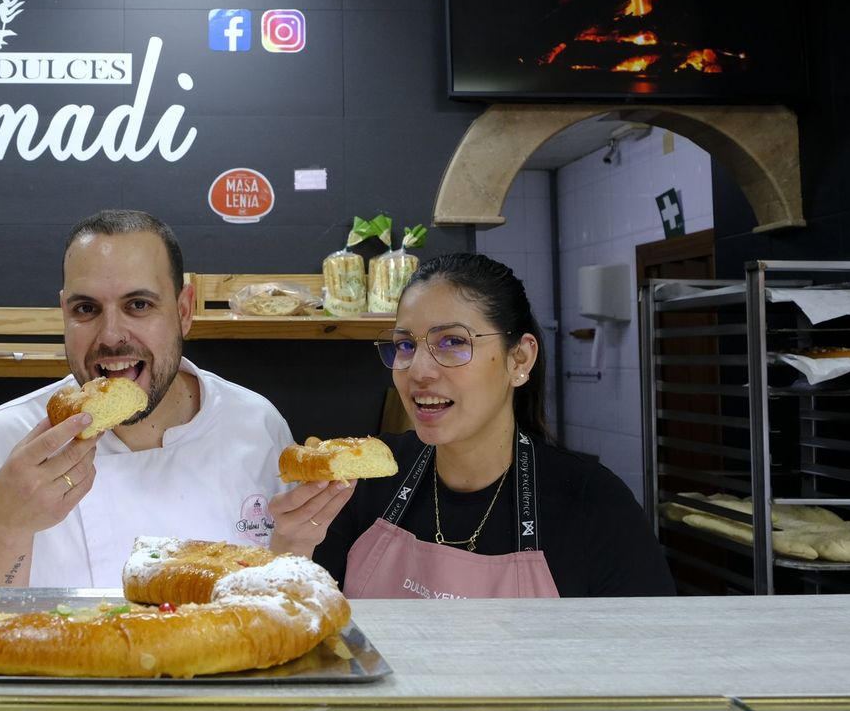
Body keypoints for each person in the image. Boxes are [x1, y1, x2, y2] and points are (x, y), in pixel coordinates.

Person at [272, 252, 673, 598]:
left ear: (519, 360)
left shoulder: (593, 504)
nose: (419, 371)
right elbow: (303, 641)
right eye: (405, 345)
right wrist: (290, 552)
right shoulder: (365, 486)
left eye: (453, 342)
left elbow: (649, 663)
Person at [0, 210, 295, 587]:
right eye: (86, 309)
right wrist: (6, 524)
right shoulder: (0, 442)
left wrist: (298, 543)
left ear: (183, 311)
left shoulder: (255, 426)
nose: (110, 335)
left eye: (138, 305)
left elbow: (279, 602)